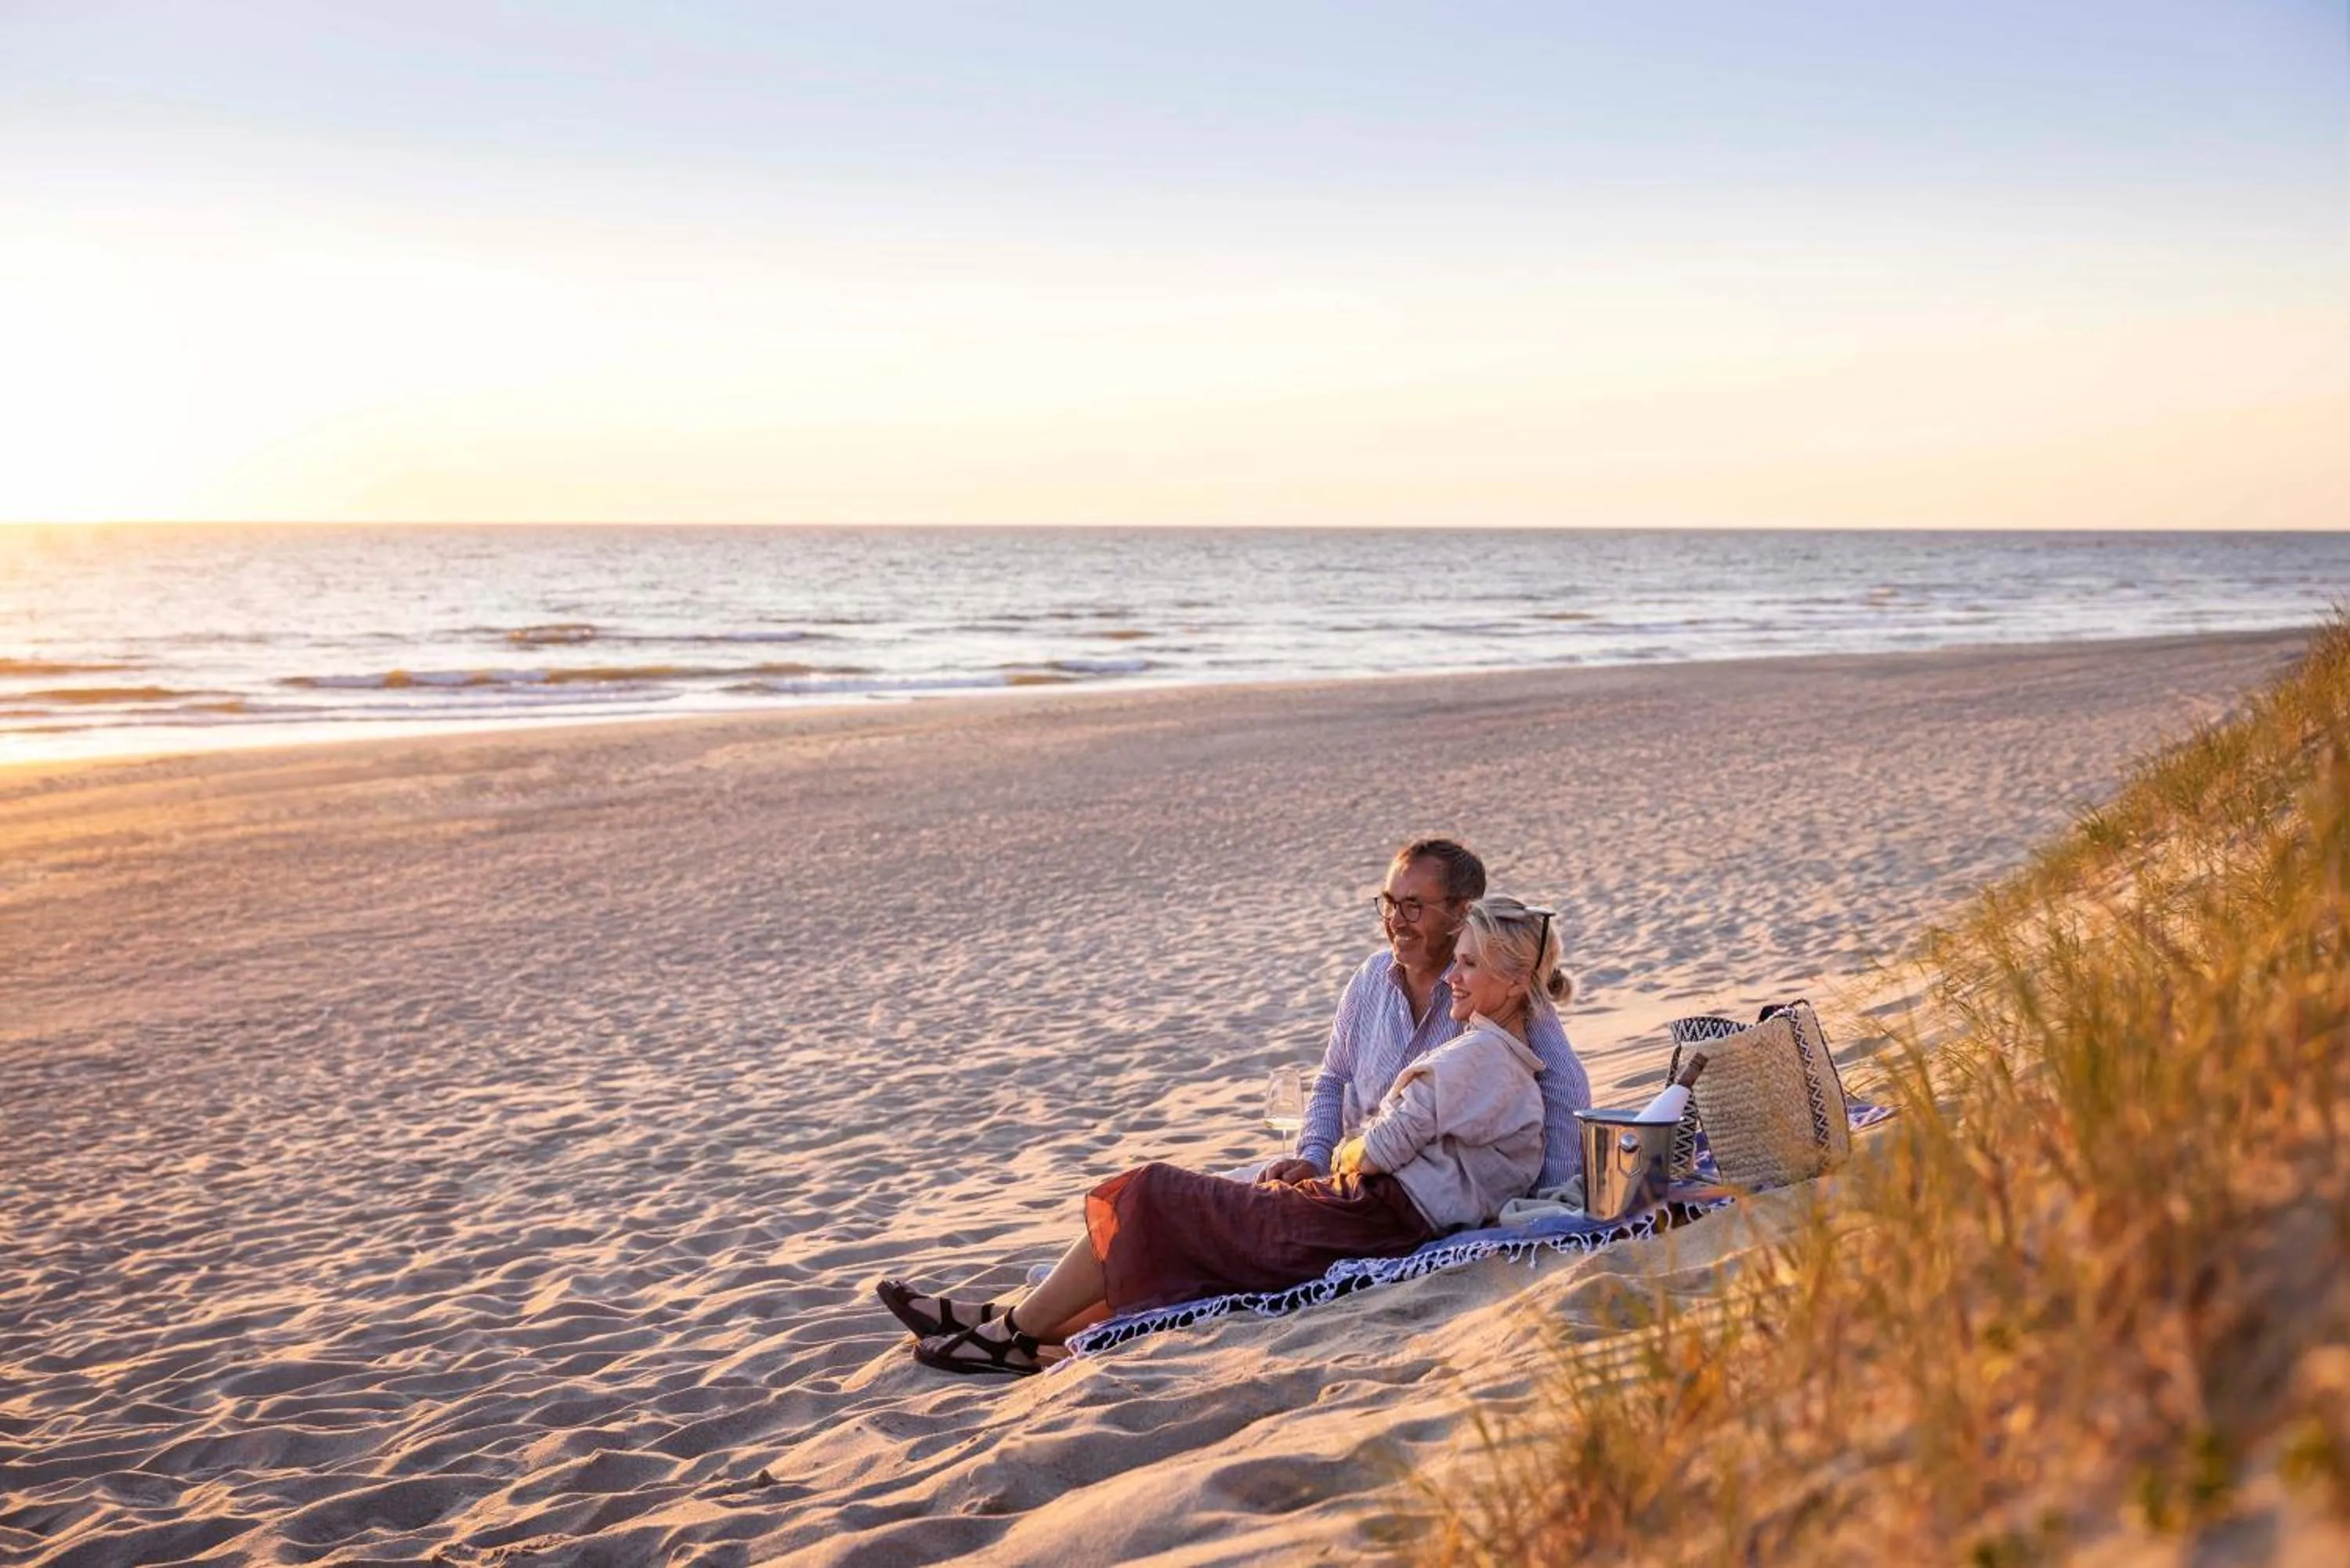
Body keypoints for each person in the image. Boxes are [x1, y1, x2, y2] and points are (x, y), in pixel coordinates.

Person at [875, 896, 1568, 1376]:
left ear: (1511, 983)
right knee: (1178, 1214)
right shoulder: (1495, 1057)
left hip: (1367, 1223)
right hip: (1369, 1214)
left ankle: (1014, 1335)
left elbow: (1382, 1149)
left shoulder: (1481, 1057)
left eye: (1471, 963)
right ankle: (1006, 1326)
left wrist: (1341, 1159)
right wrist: (1332, 1164)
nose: (1453, 972)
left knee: (1150, 1191)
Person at [1263, 839, 1593, 1193]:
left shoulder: (1490, 989)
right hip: (1348, 1181)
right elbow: (1333, 1079)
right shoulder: (1369, 978)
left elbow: (1563, 1086)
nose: (1395, 921)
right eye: (1389, 904)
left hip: (1423, 1202)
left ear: (1463, 913)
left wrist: (1550, 1200)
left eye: (1413, 906)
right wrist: (1312, 1158)